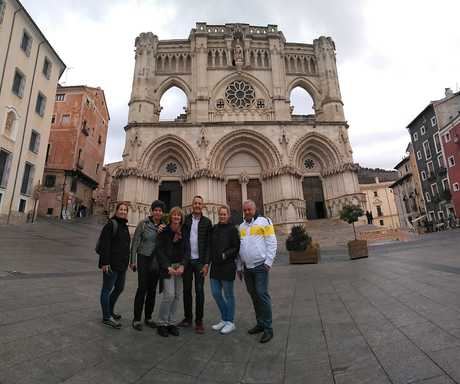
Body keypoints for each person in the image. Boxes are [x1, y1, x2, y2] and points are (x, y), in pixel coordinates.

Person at [238, 200, 277, 343]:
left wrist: (268, 262)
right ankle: (260, 323)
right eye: (245, 210)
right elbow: (240, 247)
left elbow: (272, 242)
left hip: (261, 266)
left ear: (255, 209)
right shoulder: (241, 226)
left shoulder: (264, 221)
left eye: (249, 209)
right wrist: (239, 267)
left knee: (262, 294)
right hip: (247, 268)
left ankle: (268, 328)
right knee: (254, 295)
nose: (247, 212)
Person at [130, 200, 166, 331]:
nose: (157, 212)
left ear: (162, 213)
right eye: (155, 210)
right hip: (143, 258)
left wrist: (163, 232)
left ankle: (149, 317)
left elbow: (166, 245)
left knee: (152, 290)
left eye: (160, 210)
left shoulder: (164, 226)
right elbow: (135, 242)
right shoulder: (143, 224)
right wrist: (132, 261)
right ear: (152, 211)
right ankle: (137, 319)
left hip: (156, 261)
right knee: (142, 288)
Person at [179, 195, 212, 334]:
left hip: (199, 262)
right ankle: (187, 318)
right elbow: (176, 232)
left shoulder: (207, 222)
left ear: (202, 206)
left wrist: (206, 264)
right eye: (195, 203)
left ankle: (199, 321)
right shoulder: (185, 220)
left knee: (199, 291)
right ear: (192, 205)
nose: (197, 205)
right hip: (187, 261)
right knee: (186, 290)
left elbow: (209, 245)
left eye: (199, 203)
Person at [98, 202, 131, 329]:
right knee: (106, 290)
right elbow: (104, 245)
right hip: (111, 264)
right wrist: (104, 263)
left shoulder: (124, 225)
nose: (123, 211)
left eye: (125, 210)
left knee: (119, 288)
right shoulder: (111, 224)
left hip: (121, 264)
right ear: (116, 211)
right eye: (121, 209)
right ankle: (107, 317)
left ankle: (110, 310)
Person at [209, 205, 240, 335]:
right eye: (220, 214)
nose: (222, 216)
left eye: (224, 214)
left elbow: (236, 247)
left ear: (228, 215)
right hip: (215, 266)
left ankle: (230, 322)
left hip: (227, 266)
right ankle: (224, 318)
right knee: (216, 293)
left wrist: (225, 254)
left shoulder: (233, 229)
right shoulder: (214, 228)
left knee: (228, 295)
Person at [155, 207, 186, 337]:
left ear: (181, 218)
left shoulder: (184, 232)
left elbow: (187, 250)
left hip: (179, 267)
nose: (176, 217)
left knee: (177, 295)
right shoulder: (164, 231)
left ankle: (171, 322)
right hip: (167, 268)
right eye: (174, 215)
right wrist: (167, 267)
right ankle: (162, 323)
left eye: (179, 215)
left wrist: (183, 265)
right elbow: (159, 250)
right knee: (169, 295)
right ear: (170, 217)